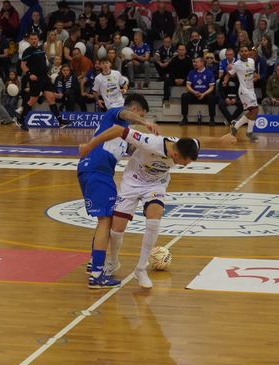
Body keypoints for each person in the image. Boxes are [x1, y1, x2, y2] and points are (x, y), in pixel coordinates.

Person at [77, 122, 236, 289]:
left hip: (155, 185)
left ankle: (141, 268)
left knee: (154, 218)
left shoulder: (185, 145)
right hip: (132, 182)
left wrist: (221, 139)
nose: (185, 165)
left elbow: (200, 140)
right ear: (174, 154)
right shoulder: (150, 142)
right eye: (184, 162)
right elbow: (117, 129)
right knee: (116, 230)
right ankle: (113, 261)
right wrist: (89, 146)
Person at [75, 94, 159, 288]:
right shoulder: (115, 114)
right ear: (136, 110)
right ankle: (97, 275)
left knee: (105, 219)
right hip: (97, 171)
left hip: (97, 171)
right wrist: (145, 122)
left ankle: (95, 263)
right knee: (106, 221)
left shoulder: (123, 134)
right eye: (140, 114)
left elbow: (135, 149)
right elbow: (125, 113)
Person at [19, 32, 71, 130]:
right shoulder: (27, 51)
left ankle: (60, 121)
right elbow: (23, 65)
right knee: (32, 100)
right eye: (32, 39)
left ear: (38, 40)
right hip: (35, 79)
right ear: (29, 40)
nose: (34, 40)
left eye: (35, 39)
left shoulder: (41, 49)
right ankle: (21, 119)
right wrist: (29, 74)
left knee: (51, 98)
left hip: (44, 78)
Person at [224, 46, 259, 141]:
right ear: (239, 53)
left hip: (251, 89)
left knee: (253, 111)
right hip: (244, 90)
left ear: (248, 52)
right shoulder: (237, 64)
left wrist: (255, 77)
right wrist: (225, 80)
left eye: (245, 51)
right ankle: (249, 132)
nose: (244, 53)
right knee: (255, 110)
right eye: (242, 51)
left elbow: (252, 73)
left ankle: (236, 126)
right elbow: (229, 74)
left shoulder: (252, 61)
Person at [181, 56, 216, 125]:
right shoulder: (191, 72)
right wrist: (194, 92)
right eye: (194, 62)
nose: (194, 64)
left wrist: (203, 94)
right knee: (184, 96)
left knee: (212, 97)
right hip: (194, 95)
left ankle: (212, 119)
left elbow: (212, 87)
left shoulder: (209, 73)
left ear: (202, 63)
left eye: (196, 62)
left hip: (204, 95)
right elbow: (188, 86)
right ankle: (184, 118)